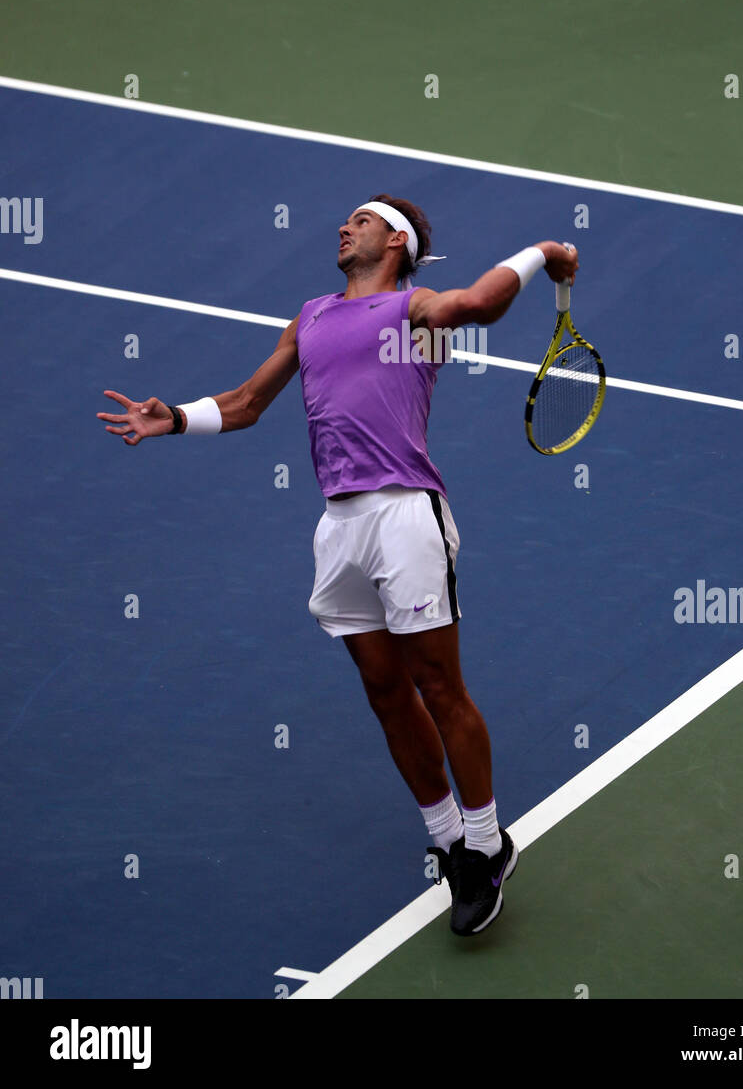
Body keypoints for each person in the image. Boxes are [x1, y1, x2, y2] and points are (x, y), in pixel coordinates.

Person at [98, 194, 578, 936]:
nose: (343, 226)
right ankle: (449, 840)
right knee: (386, 691)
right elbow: (249, 401)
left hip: (404, 517)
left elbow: (478, 304)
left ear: (394, 240)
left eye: (360, 219)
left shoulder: (414, 311)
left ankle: (488, 845)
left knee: (439, 685)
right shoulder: (312, 315)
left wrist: (542, 255)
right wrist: (177, 419)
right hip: (340, 524)